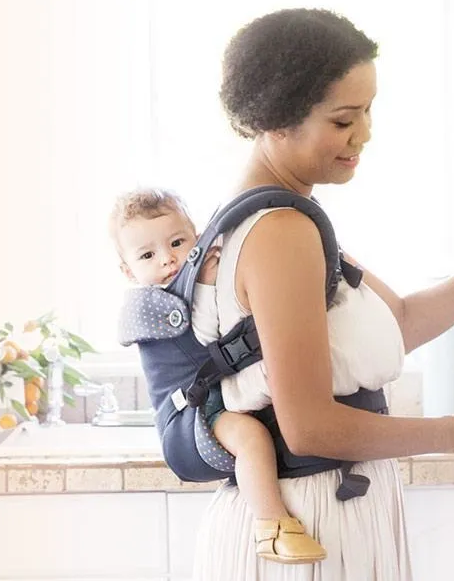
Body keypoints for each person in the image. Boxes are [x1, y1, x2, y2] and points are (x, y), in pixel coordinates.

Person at [190, 8, 454, 581]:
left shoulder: (282, 217)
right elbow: (308, 427)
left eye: (368, 110)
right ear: (276, 120)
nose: (365, 134)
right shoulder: (280, 231)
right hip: (308, 516)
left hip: (327, 508)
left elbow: (397, 322)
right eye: (344, 119)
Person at [108, 187, 327, 565]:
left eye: (178, 242)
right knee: (252, 437)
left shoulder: (185, 282)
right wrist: (209, 279)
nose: (168, 259)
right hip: (187, 420)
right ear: (128, 271)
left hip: (209, 401)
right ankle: (272, 527)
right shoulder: (149, 305)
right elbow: (205, 338)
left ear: (196, 236)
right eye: (148, 255)